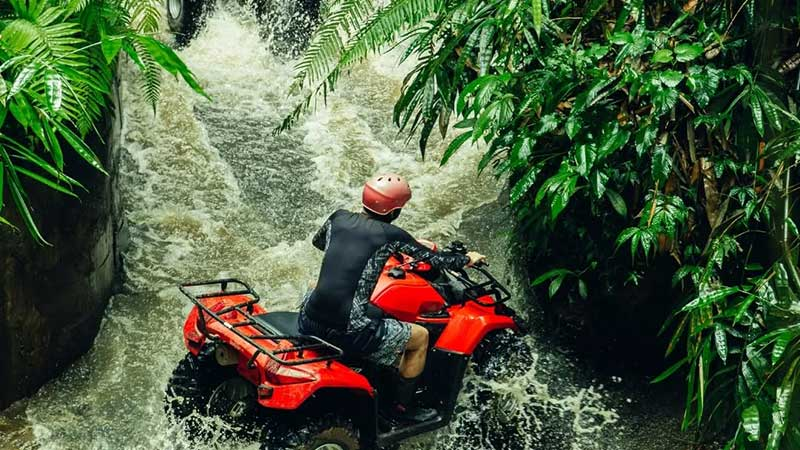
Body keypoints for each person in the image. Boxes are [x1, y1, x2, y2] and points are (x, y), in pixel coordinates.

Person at [298, 173, 486, 424]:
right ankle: (401, 409)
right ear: (395, 210)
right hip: (346, 331)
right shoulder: (391, 235)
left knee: (374, 309)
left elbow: (320, 242)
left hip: (308, 320)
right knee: (420, 337)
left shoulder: (338, 217)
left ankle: (372, 371)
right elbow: (437, 261)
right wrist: (468, 259)